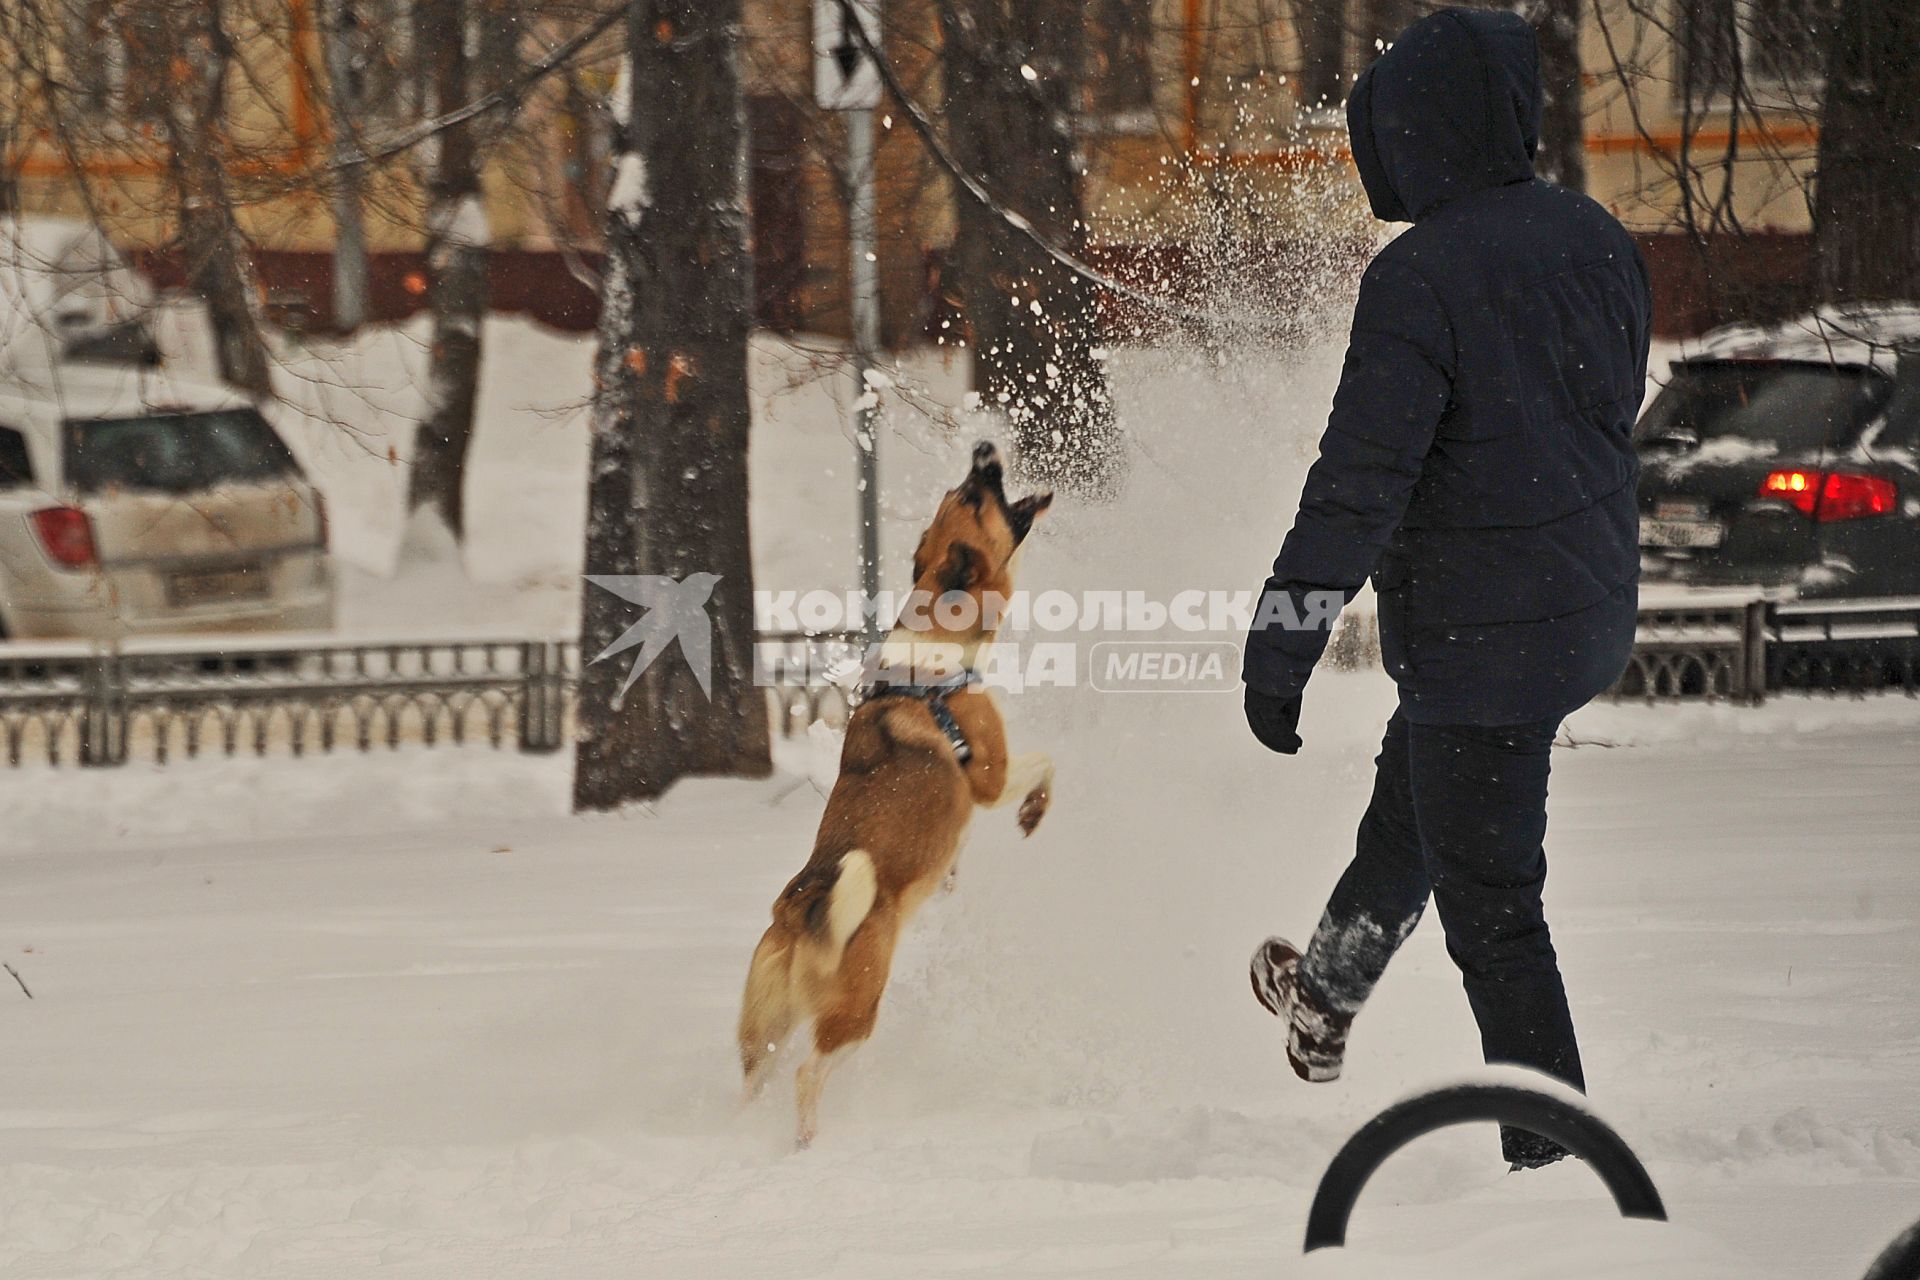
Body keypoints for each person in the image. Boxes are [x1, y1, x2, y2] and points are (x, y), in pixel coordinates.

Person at [1239, 7, 1652, 1170]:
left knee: (1497, 910)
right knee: (1421, 797)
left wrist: (1280, 645)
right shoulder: (1600, 238)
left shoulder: (1418, 277)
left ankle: (1557, 1164)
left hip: (1487, 641)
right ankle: (1323, 992)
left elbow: (1356, 488)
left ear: (1419, 132)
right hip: (1580, 615)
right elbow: (1592, 423)